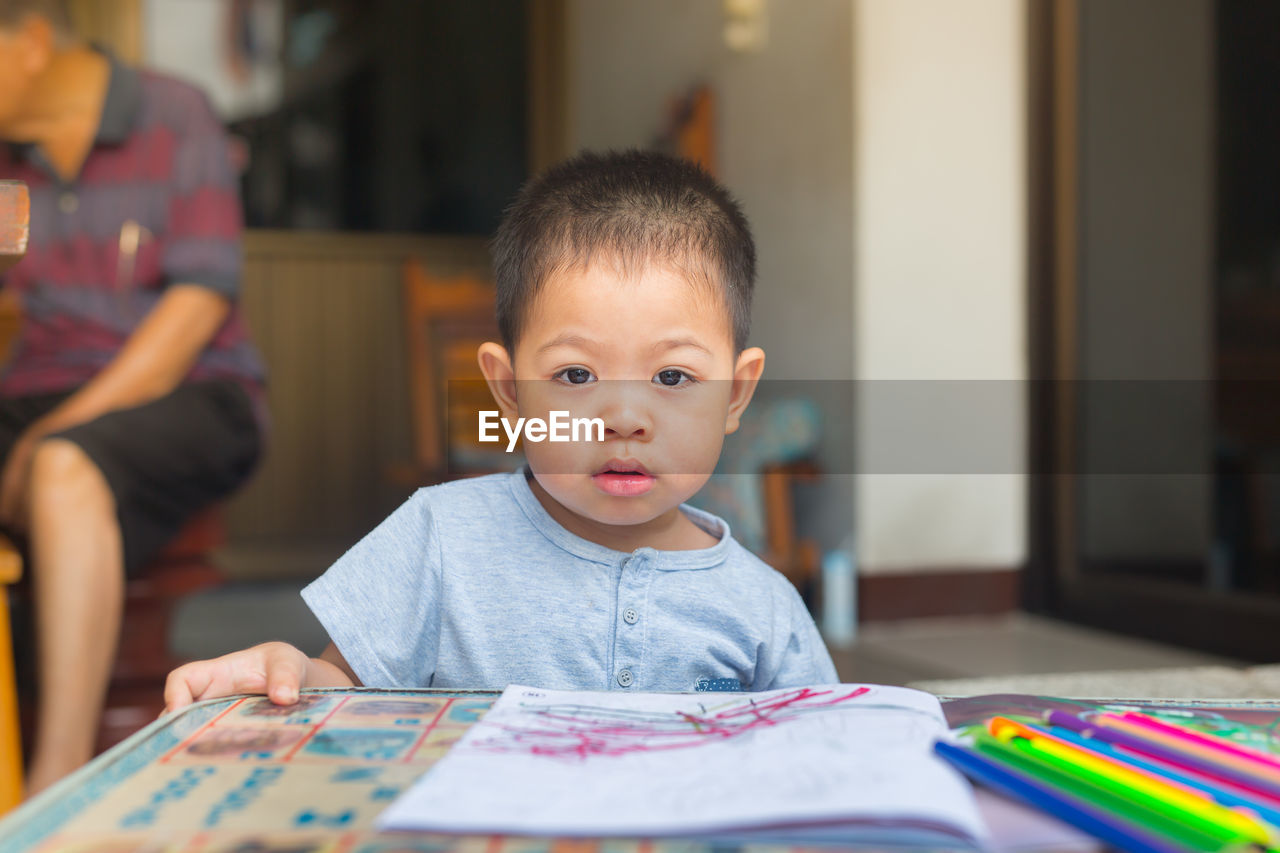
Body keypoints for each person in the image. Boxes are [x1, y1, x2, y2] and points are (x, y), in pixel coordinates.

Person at [164, 149, 835, 711]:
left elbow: (823, 759)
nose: (627, 419)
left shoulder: (763, 608)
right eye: (576, 375)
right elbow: (341, 688)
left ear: (735, 392)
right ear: (509, 390)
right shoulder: (440, 538)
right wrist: (287, 675)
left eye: (672, 378)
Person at [0, 1, 265, 793]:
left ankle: (54, 786)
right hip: (38, 387)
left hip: (194, 390)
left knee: (60, 465)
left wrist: (43, 441)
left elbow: (194, 310)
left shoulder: (176, 112)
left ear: (35, 41)